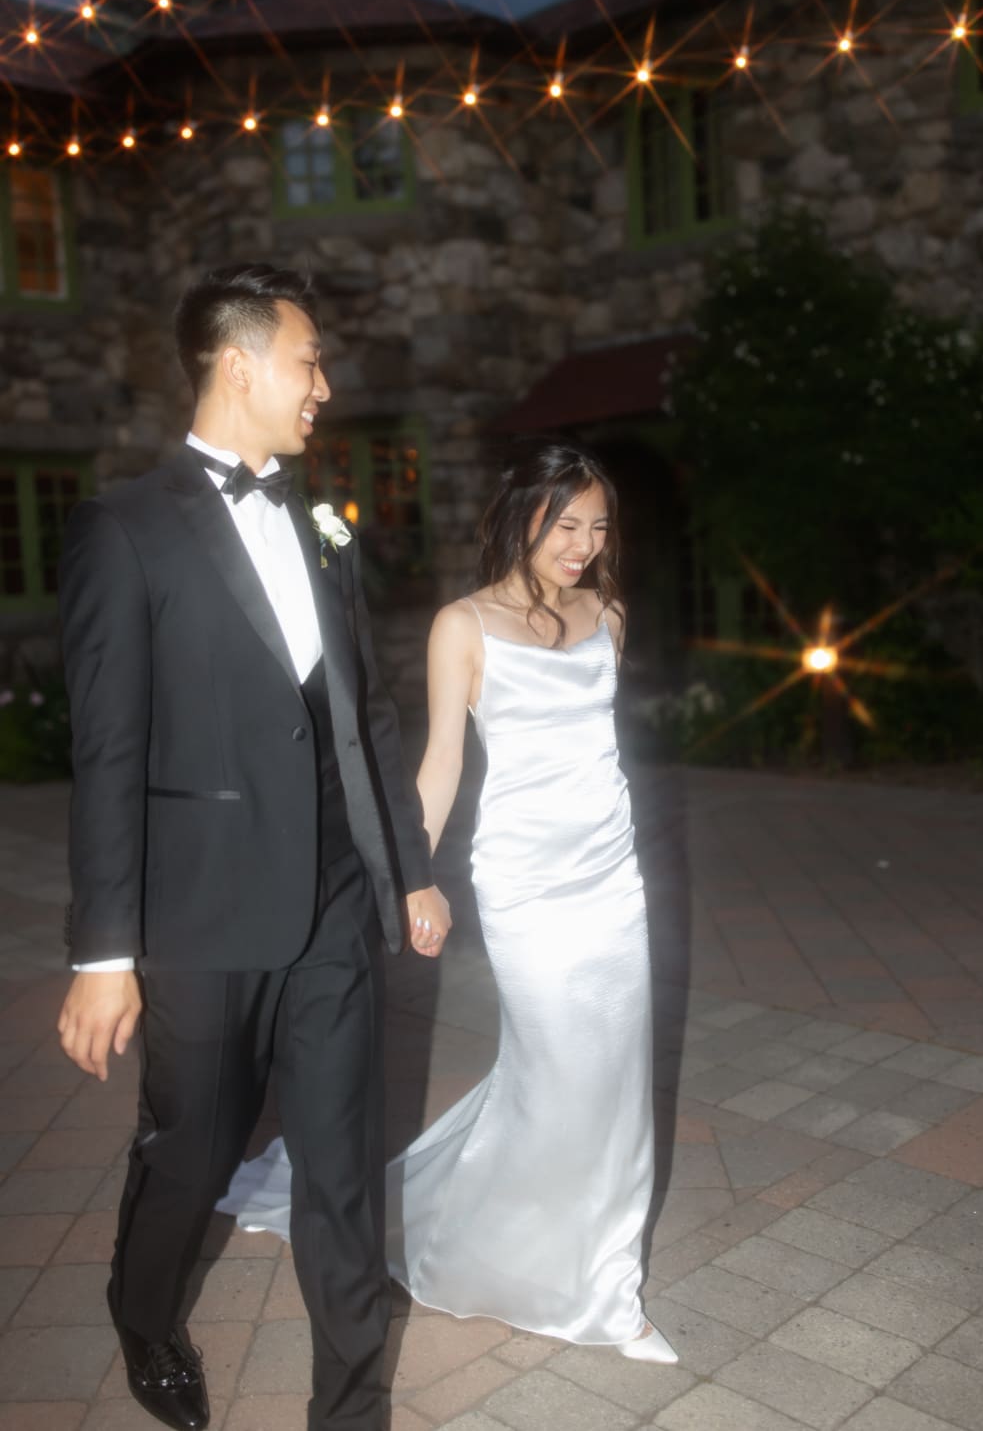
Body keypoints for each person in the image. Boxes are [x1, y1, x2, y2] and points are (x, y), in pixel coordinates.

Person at [56, 261, 450, 1431]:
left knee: (341, 1171)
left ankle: (351, 1407)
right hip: (201, 915)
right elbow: (109, 752)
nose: (323, 384)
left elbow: (366, 711)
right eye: (308, 359)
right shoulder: (121, 530)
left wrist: (410, 869)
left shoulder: (325, 527)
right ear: (240, 363)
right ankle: (142, 1308)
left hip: (333, 907)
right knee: (192, 1153)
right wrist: (102, 953)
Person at [219, 439, 676, 1364]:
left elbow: (602, 751)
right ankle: (553, 1265)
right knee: (556, 1069)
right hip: (526, 885)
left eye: (597, 527)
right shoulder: (461, 626)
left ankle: (605, 1278)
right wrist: (408, 877)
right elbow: (441, 765)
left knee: (616, 1076)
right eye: (565, 524)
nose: (582, 544)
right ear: (522, 517)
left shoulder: (609, 615)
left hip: (611, 882)